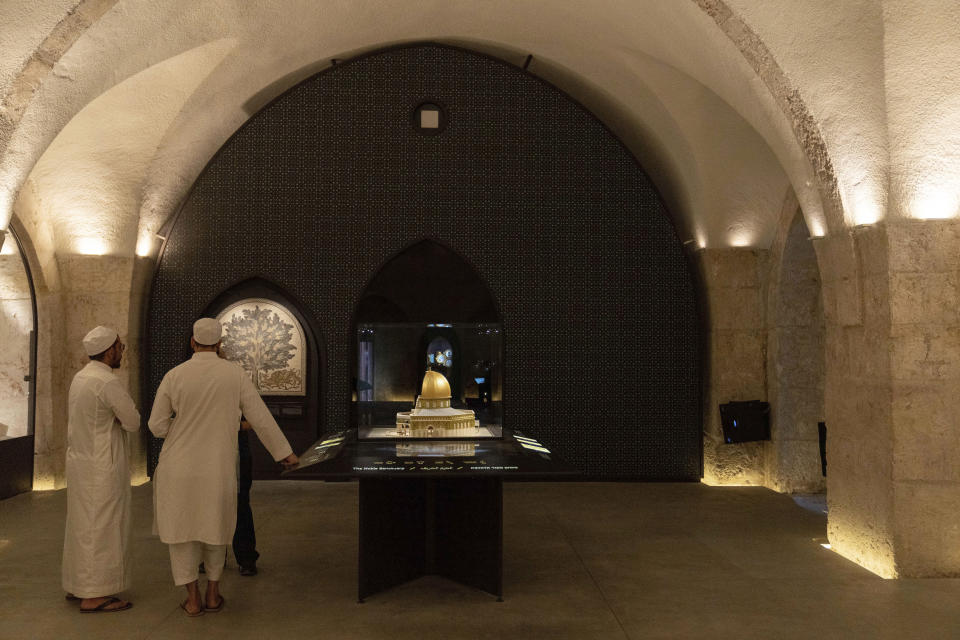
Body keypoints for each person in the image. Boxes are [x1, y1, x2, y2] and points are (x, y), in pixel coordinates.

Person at [148, 318, 298, 617]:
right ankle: (213, 595)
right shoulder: (234, 374)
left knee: (182, 531)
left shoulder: (174, 375)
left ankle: (191, 599)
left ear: (193, 342)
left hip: (177, 466)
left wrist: (184, 425)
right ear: (219, 344)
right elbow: (259, 417)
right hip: (217, 467)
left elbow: (156, 426)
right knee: (216, 526)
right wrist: (285, 453)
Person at [62, 326, 140, 613]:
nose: (122, 351)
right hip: (103, 465)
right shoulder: (106, 382)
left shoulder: (81, 377)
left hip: (81, 463)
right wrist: (118, 421)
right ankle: (94, 594)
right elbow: (132, 421)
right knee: (103, 528)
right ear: (109, 351)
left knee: (82, 526)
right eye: (120, 346)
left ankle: (79, 583)